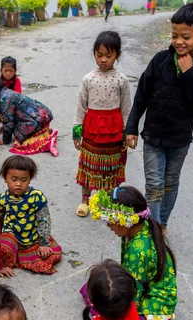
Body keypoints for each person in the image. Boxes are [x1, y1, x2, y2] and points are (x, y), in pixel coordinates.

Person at [87, 186, 193, 320]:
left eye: (109, 220)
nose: (107, 224)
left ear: (126, 220)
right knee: (96, 290)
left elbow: (130, 296)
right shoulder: (138, 229)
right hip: (141, 292)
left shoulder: (139, 250)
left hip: (151, 311)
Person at [124, 3, 193, 235]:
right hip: (153, 136)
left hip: (180, 140)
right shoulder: (160, 60)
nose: (179, 42)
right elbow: (142, 94)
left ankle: (162, 222)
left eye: (186, 36)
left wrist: (189, 73)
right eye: (175, 35)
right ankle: (152, 229)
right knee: (154, 185)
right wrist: (131, 127)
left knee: (170, 183)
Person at [74, 31, 131, 218]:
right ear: (94, 54)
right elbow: (81, 106)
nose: (103, 60)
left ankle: (106, 200)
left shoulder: (122, 80)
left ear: (118, 55)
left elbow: (126, 108)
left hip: (114, 131)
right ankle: (85, 200)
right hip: (91, 130)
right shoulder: (88, 79)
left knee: (111, 166)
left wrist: (127, 133)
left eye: (109, 55)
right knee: (88, 164)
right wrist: (77, 131)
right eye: (99, 55)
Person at [0, 155, 62, 275]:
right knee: (2, 250)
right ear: (5, 178)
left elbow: (44, 220)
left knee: (50, 254)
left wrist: (43, 243)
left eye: (24, 180)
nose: (18, 184)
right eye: (14, 179)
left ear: (30, 179)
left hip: (32, 237)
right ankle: (9, 255)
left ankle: (17, 256)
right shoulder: (1, 199)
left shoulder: (36, 196)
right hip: (11, 235)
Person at [0, 76, 59, 157]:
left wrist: (5, 140)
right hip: (43, 114)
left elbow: (8, 122)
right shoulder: (7, 92)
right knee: (14, 127)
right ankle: (43, 131)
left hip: (38, 119)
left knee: (18, 135)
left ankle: (45, 141)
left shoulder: (4, 100)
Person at [0, 56, 23, 123]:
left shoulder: (17, 81)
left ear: (15, 71)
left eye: (11, 71)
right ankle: (0, 115)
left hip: (14, 99)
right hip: (2, 100)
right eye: (5, 71)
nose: (8, 73)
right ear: (1, 70)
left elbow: (17, 96)